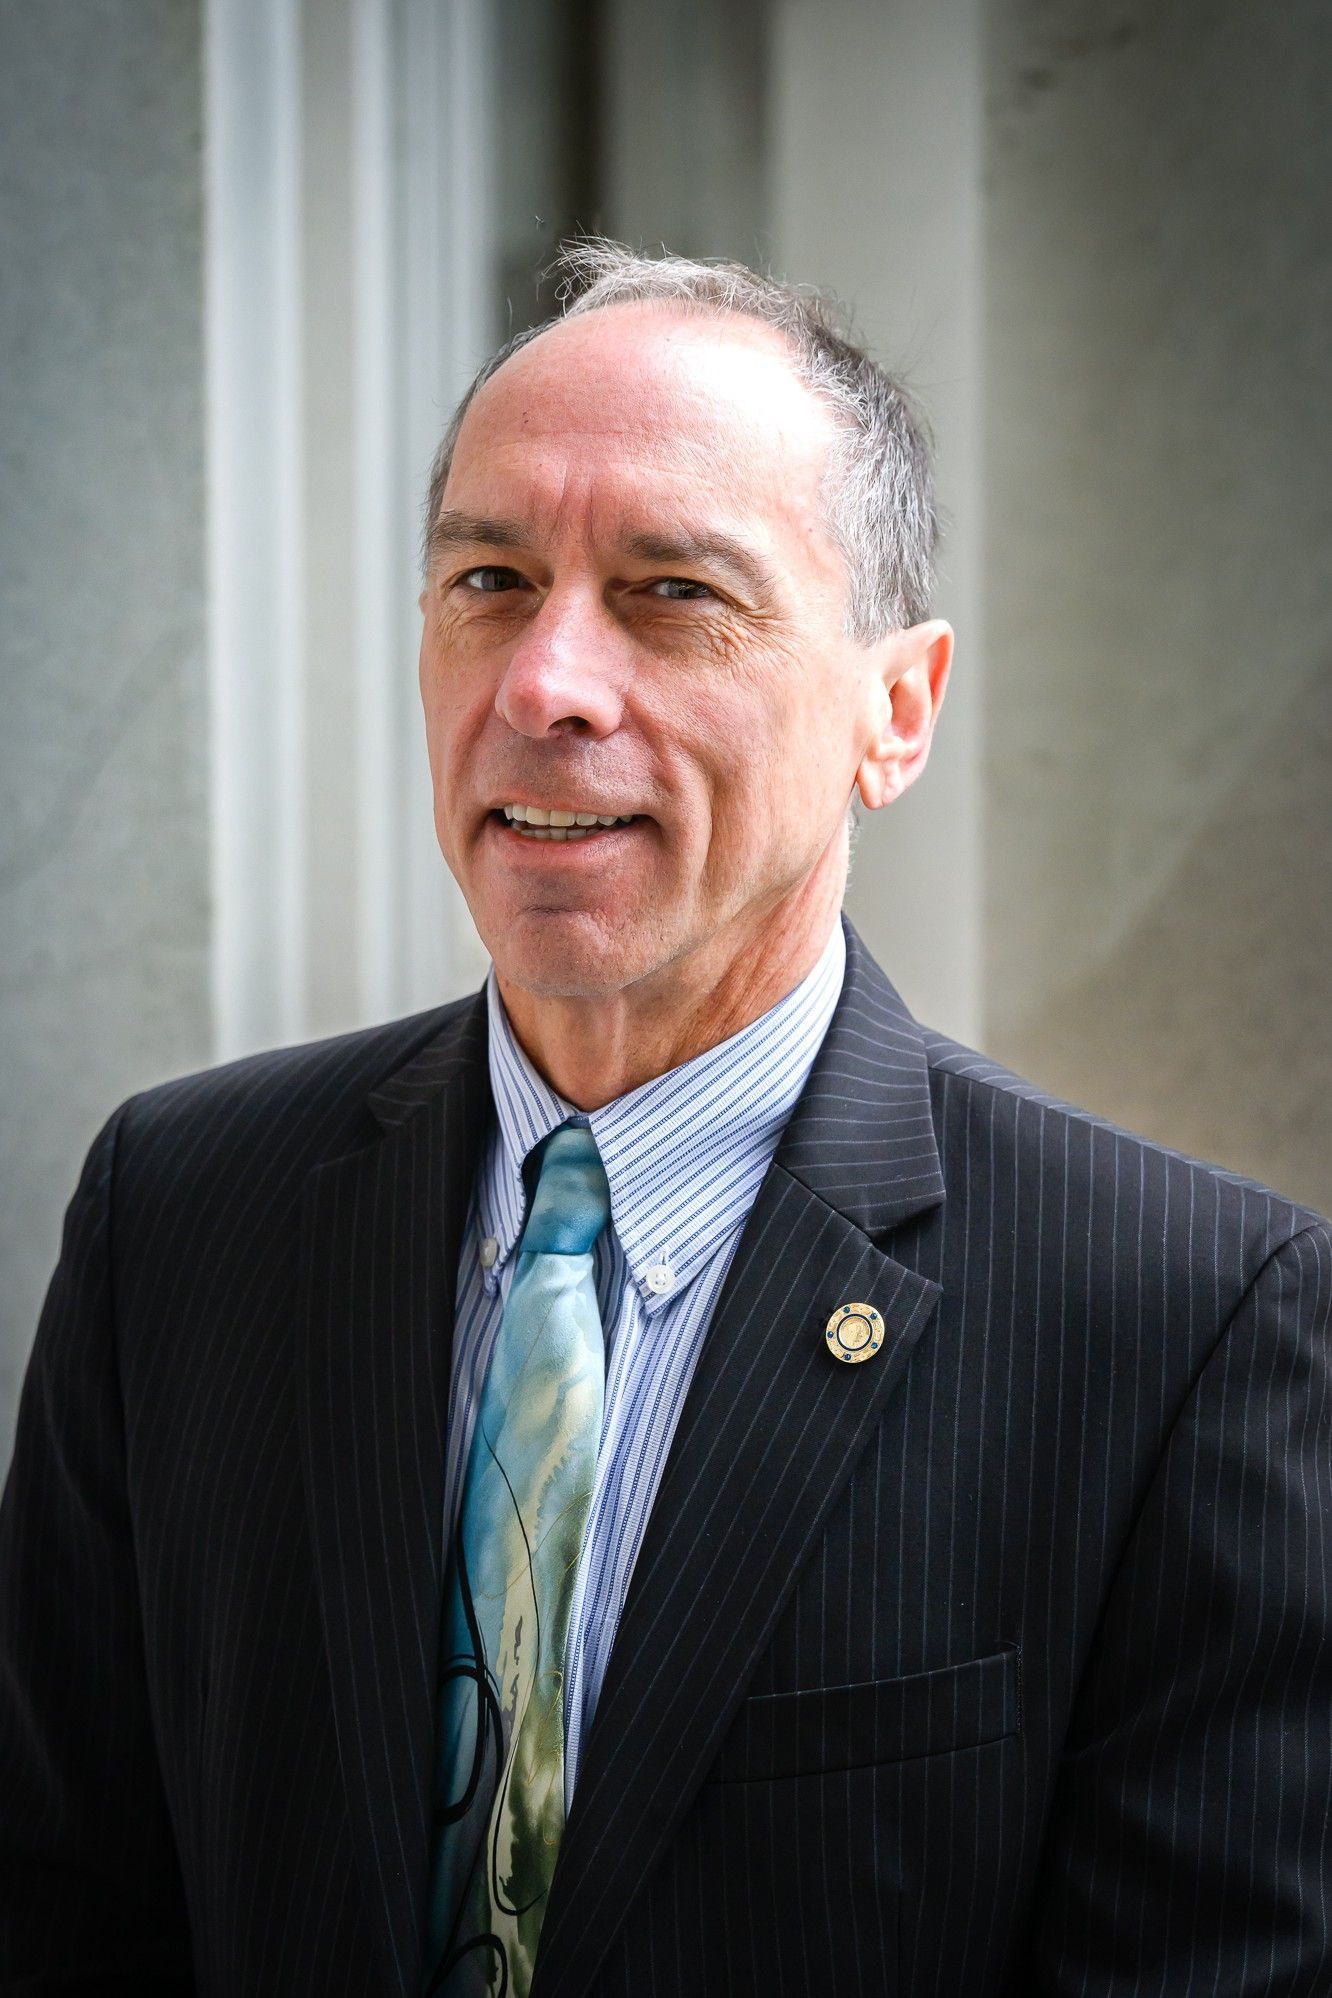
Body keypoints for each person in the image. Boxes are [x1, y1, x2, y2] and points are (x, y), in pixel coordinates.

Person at [1, 240, 1329, 1998]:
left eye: (671, 593)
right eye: (490, 576)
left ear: (898, 708)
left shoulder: (1180, 1323)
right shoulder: (180, 1211)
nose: (547, 681)